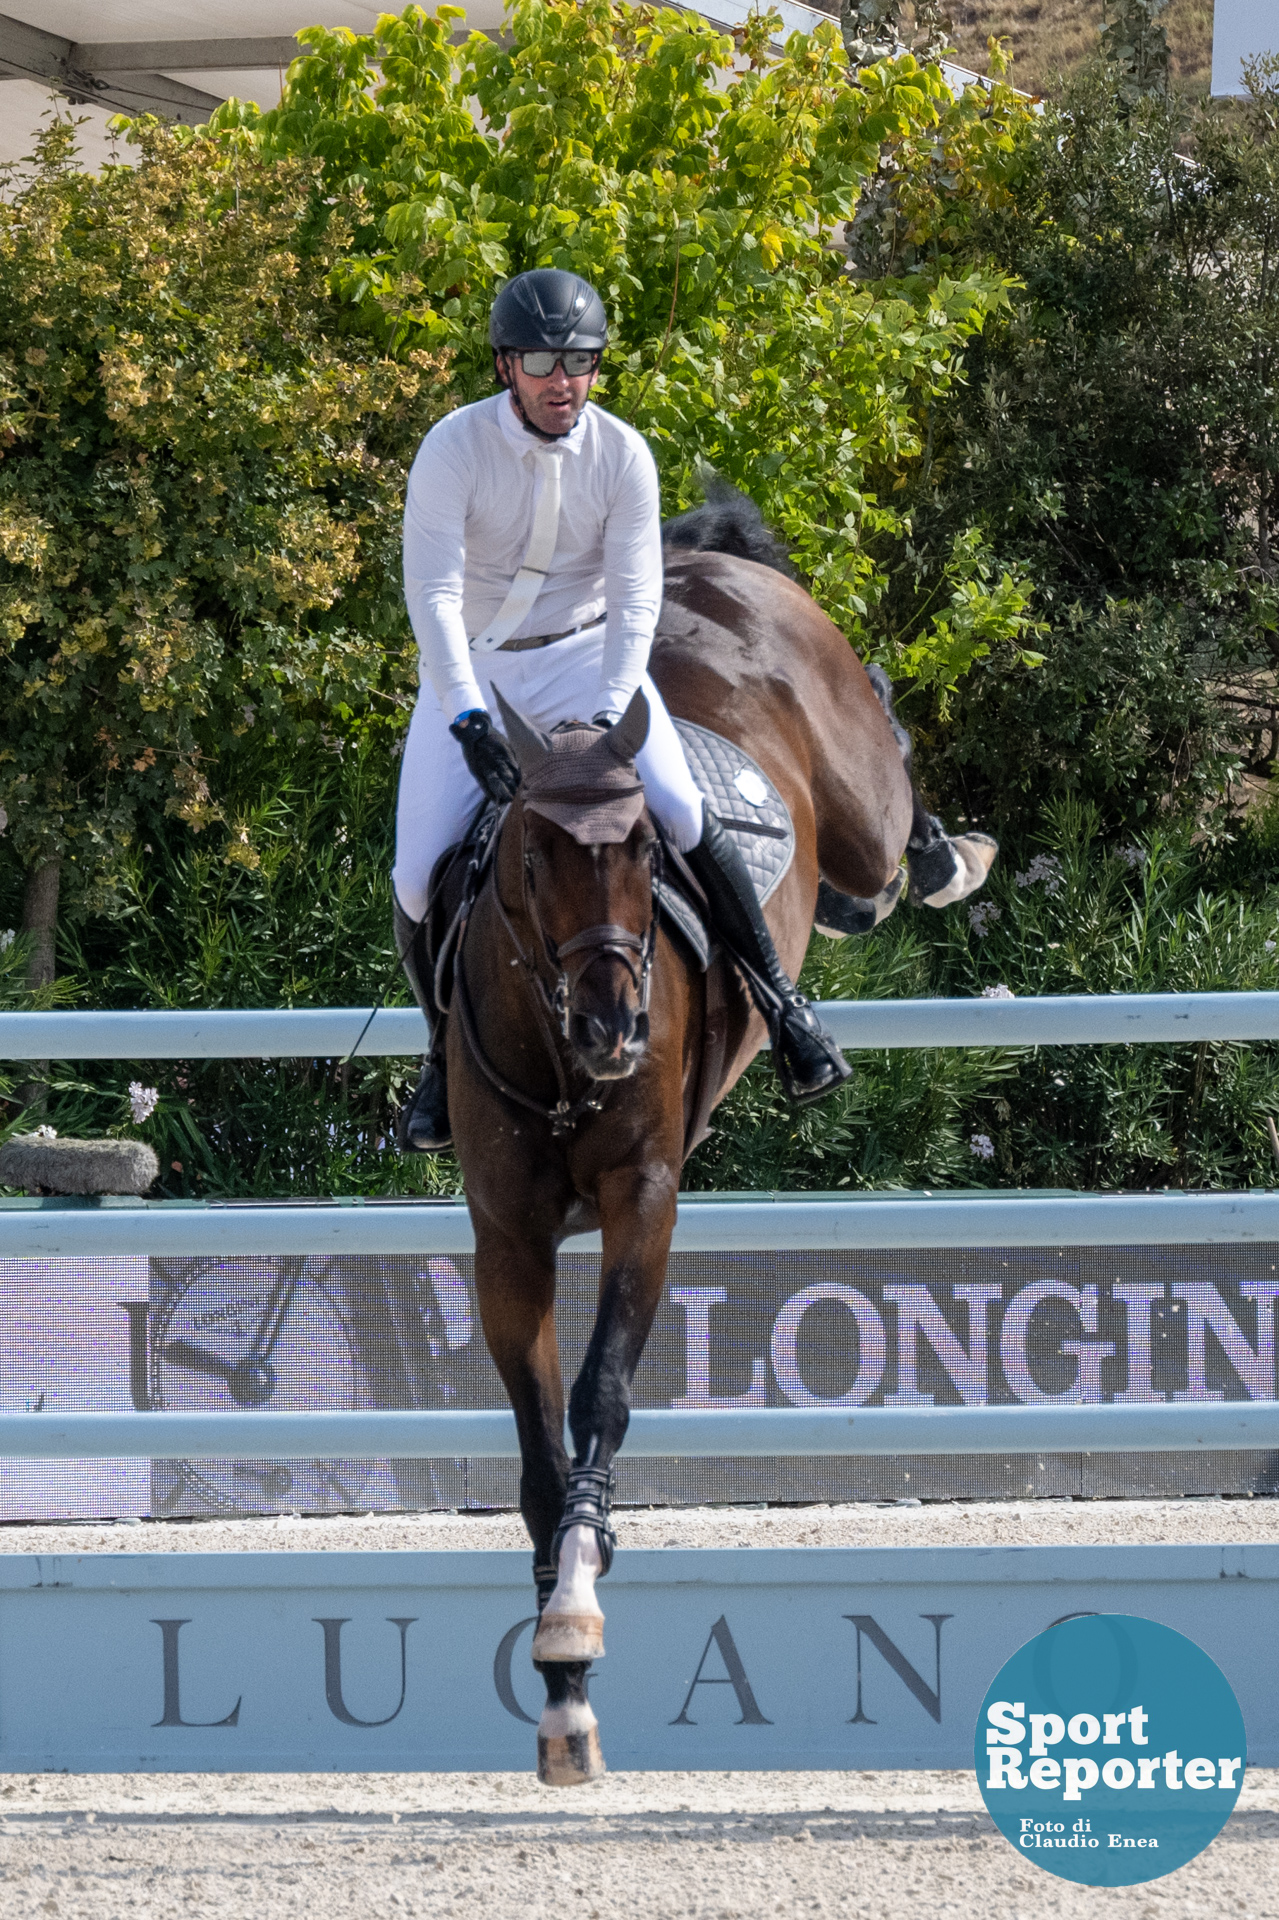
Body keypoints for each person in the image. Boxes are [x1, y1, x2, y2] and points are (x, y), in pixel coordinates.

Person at [392, 267, 849, 1152]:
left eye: (581, 361)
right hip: (477, 672)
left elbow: (638, 599)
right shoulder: (452, 450)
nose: (564, 380)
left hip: (589, 660)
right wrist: (464, 718)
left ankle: (787, 1011)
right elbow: (434, 597)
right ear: (503, 367)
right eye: (542, 361)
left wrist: (606, 718)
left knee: (680, 810)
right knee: (416, 871)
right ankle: (440, 1055)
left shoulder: (621, 453)